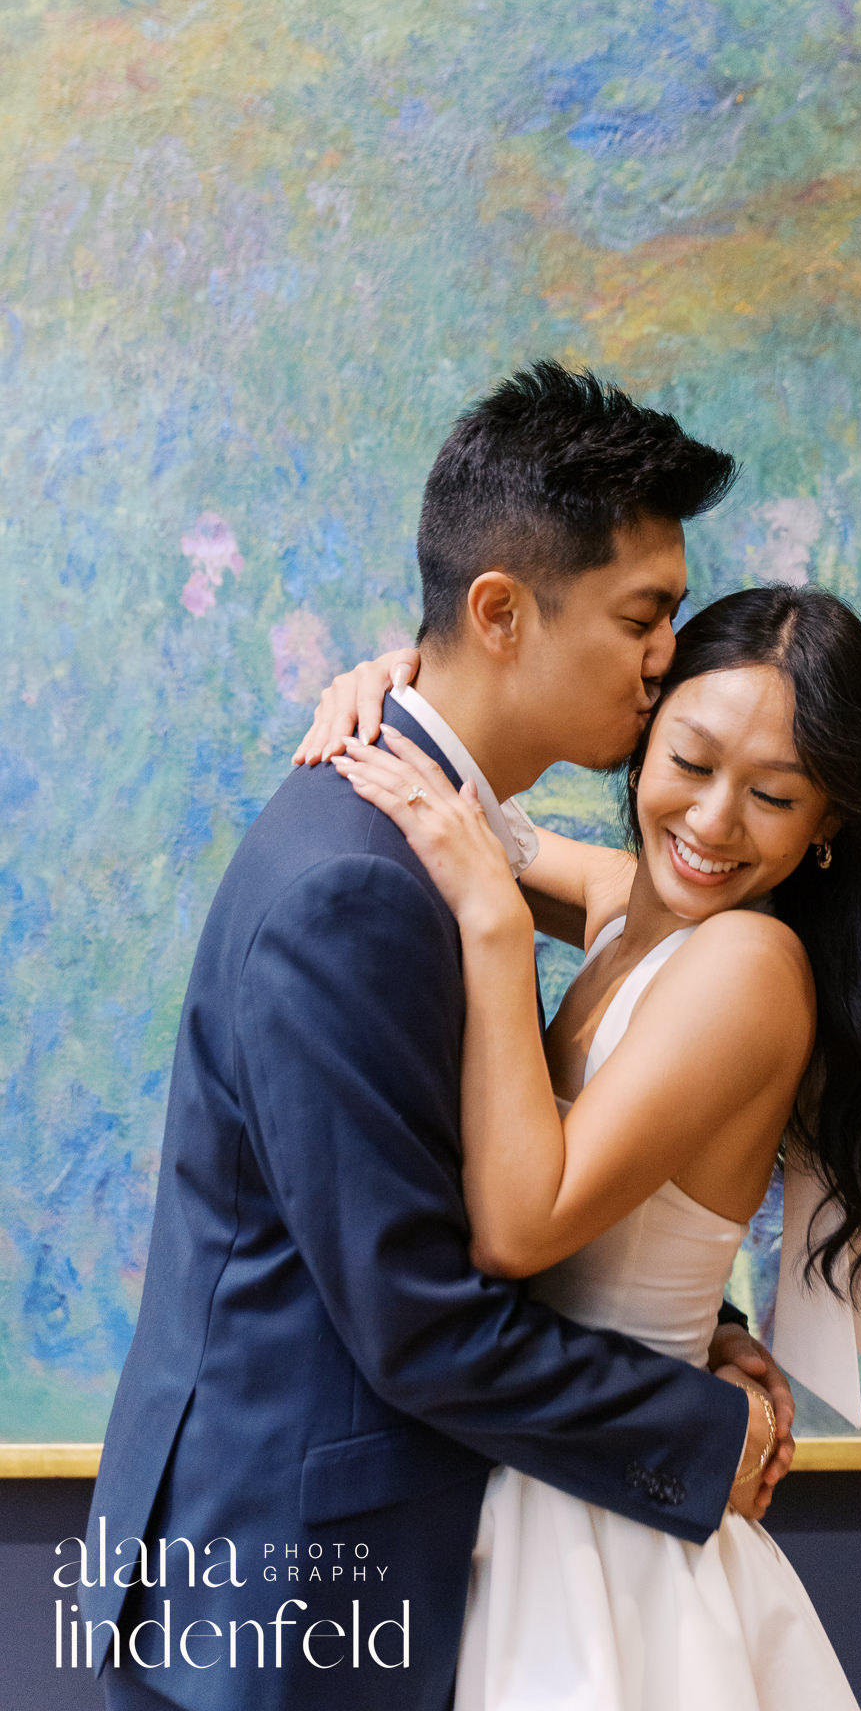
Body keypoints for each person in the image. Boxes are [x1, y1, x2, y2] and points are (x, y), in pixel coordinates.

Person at [83, 365, 794, 1711]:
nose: (664, 660)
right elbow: (415, 1319)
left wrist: (692, 1322)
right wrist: (710, 1432)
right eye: (645, 616)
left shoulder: (439, 839)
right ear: (501, 613)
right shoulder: (361, 877)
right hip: (286, 1598)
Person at [309, 578, 861, 1708]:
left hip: (606, 1537)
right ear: (643, 733)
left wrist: (497, 932)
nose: (710, 823)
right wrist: (385, 686)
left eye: (773, 796)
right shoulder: (635, 906)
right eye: (690, 764)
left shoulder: (748, 966)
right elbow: (475, 810)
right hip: (536, 1466)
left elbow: (519, 1228)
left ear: (826, 822)